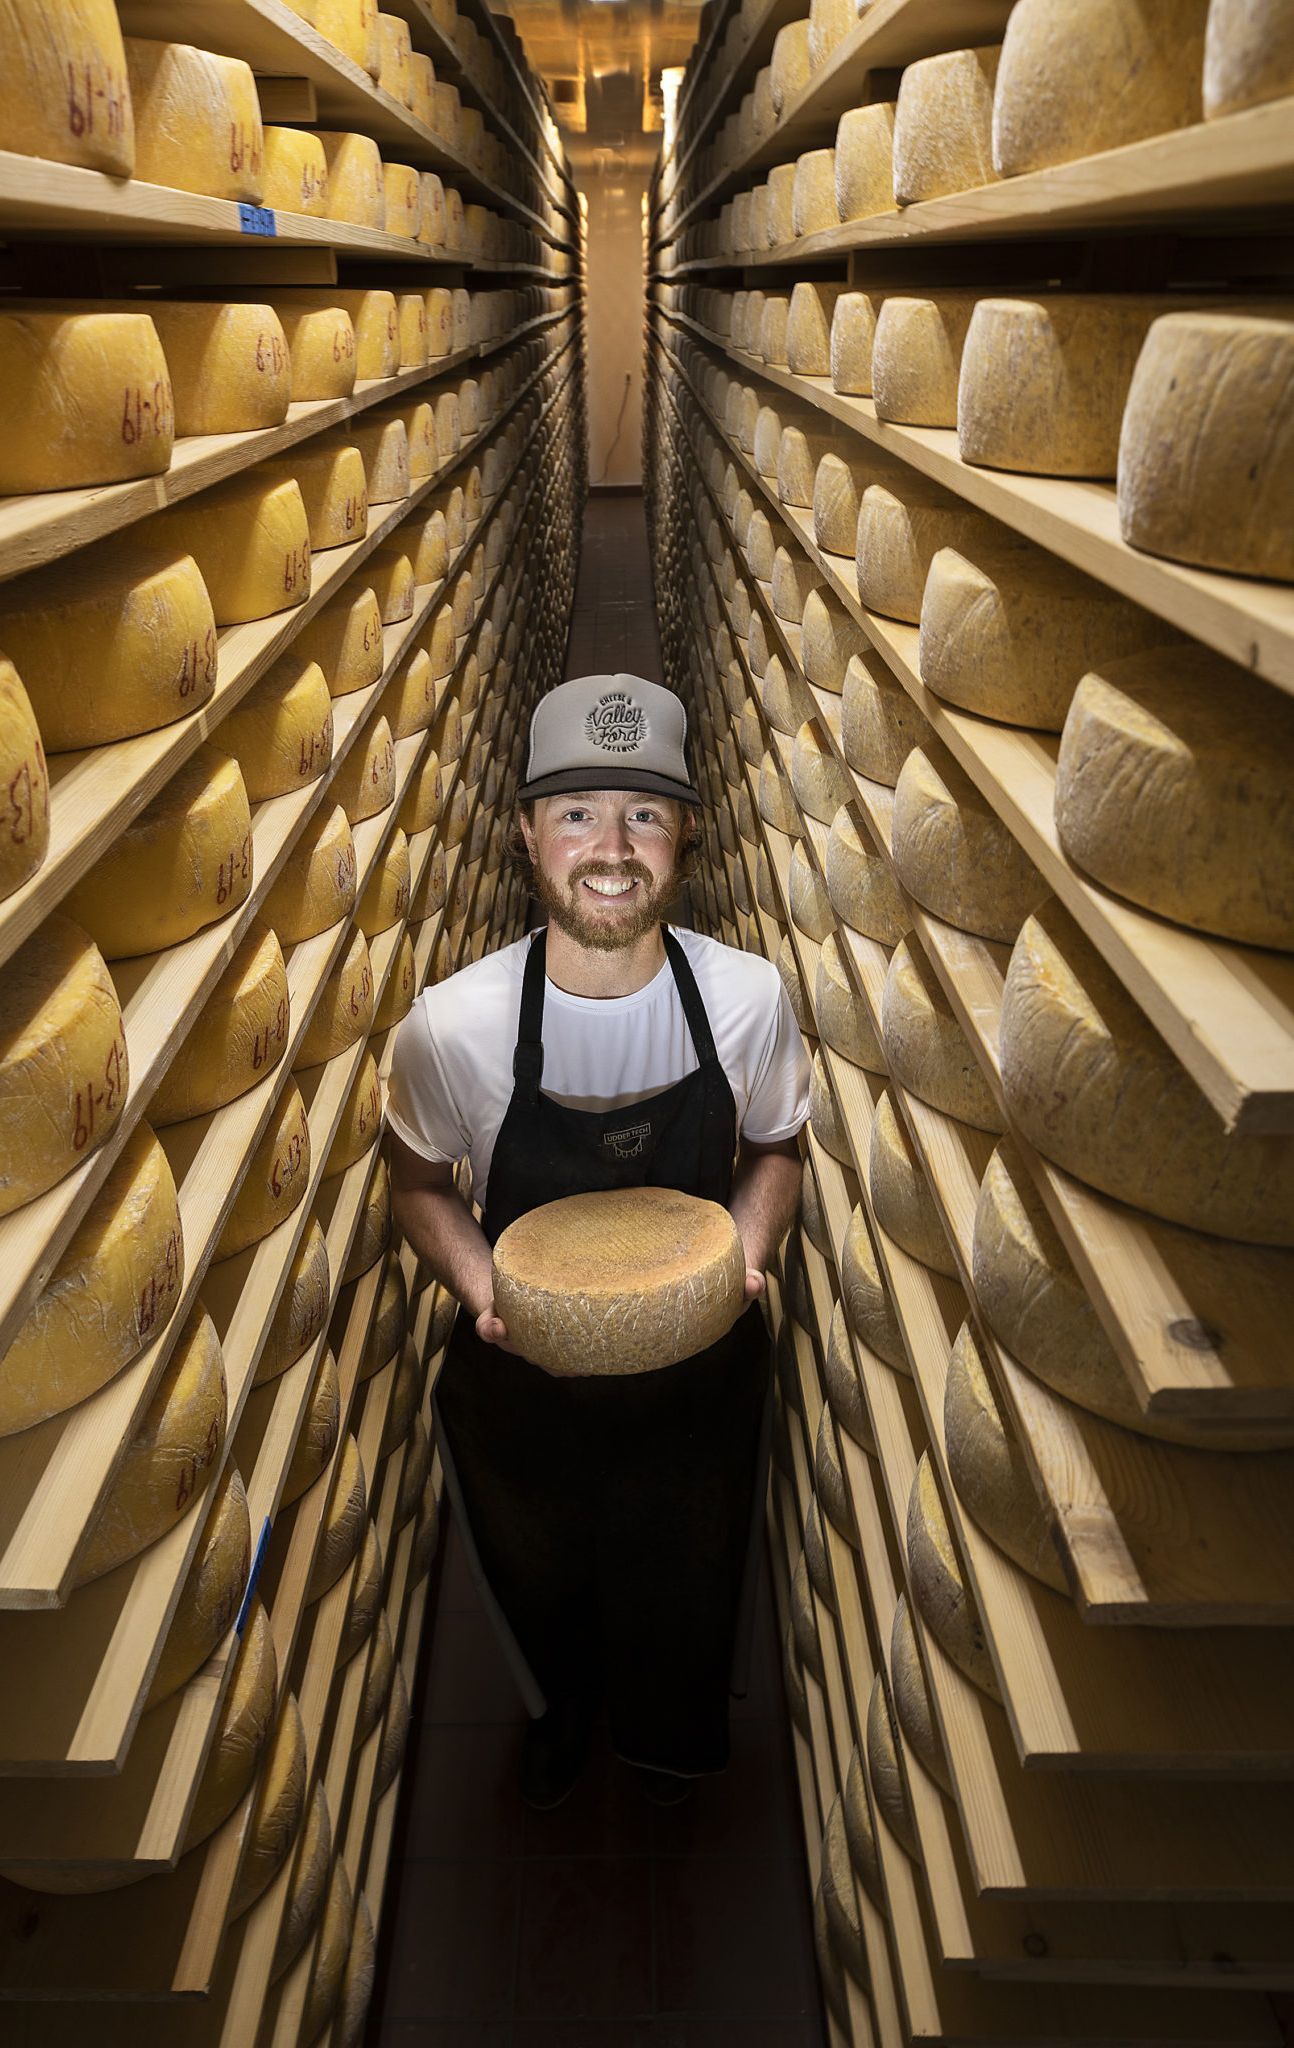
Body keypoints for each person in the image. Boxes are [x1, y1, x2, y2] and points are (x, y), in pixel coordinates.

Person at [386, 672, 809, 1808]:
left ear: (685, 835)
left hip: (697, 1379)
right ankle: (563, 1704)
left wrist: (749, 1254)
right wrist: (485, 1288)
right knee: (540, 1575)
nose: (611, 847)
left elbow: (775, 1148)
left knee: (687, 1581)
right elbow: (418, 1183)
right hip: (526, 1387)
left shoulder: (746, 1000)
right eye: (577, 811)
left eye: (644, 813)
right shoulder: (454, 1026)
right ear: (527, 829)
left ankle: (666, 1744)